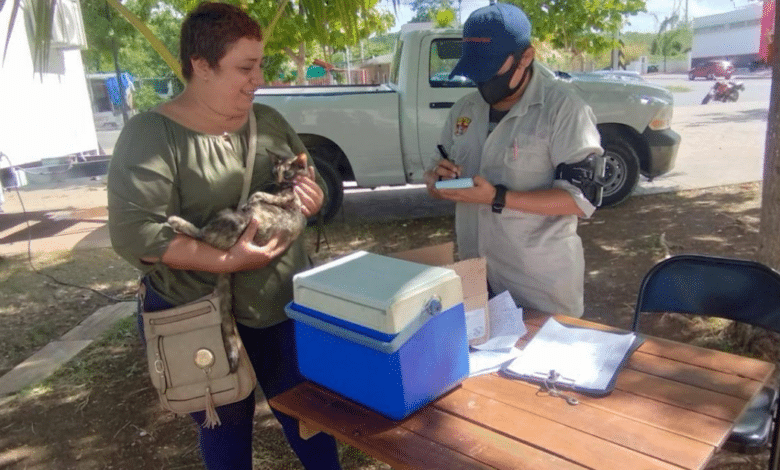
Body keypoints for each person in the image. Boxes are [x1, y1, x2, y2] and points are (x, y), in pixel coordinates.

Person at [106, 3, 342, 469]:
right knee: (226, 430)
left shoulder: (268, 121)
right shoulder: (152, 135)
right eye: (245, 67)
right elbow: (135, 234)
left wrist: (310, 199)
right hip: (196, 312)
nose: (257, 79)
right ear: (201, 66)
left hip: (280, 308)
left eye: (260, 65)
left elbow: (303, 181)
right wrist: (225, 262)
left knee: (310, 420)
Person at [424, 2, 604, 318]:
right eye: (474, 72)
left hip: (538, 285)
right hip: (474, 276)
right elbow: (436, 173)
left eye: (491, 70)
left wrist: (498, 198)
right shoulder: (464, 110)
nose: (482, 83)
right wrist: (436, 182)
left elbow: (580, 201)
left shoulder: (564, 110)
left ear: (526, 57)